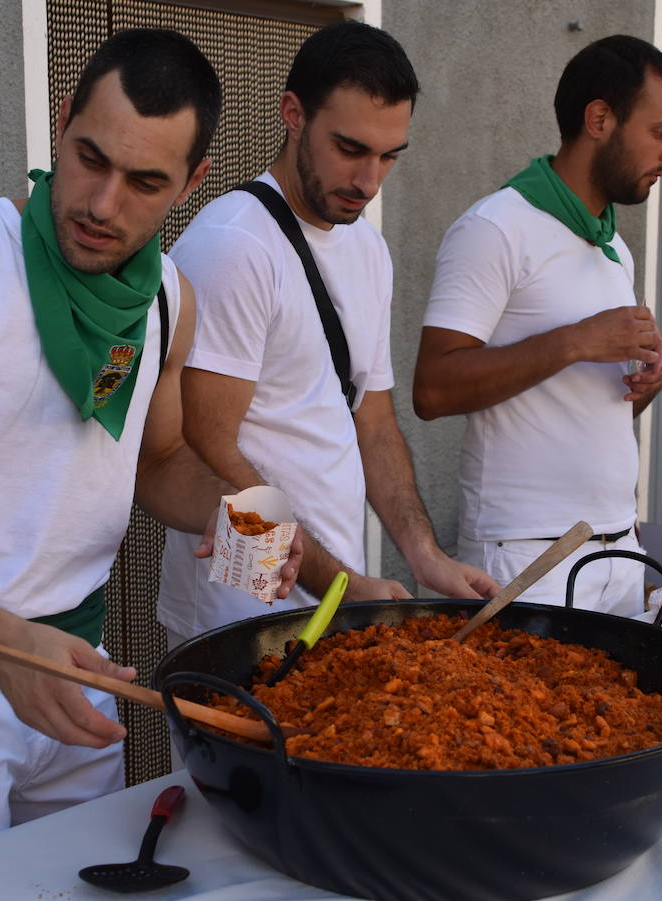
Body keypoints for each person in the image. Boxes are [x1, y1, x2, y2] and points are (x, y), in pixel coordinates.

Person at [0, 29, 298, 875]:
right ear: (62, 120)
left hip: (79, 669)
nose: (103, 203)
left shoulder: (168, 302)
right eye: (89, 158)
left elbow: (159, 459)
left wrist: (232, 511)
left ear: (192, 185)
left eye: (145, 182)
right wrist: (4, 644)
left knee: (72, 898)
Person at [156, 21, 498, 646]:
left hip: (328, 599)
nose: (369, 180)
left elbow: (371, 419)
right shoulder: (233, 244)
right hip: (240, 610)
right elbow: (206, 444)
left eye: (389, 155)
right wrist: (337, 581)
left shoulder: (368, 248)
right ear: (293, 114)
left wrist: (424, 553)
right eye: (350, 148)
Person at [410, 36, 662, 613]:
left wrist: (646, 386)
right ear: (600, 119)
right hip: (528, 558)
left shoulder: (612, 245)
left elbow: (576, 413)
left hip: (619, 548)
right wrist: (577, 341)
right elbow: (433, 390)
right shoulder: (496, 227)